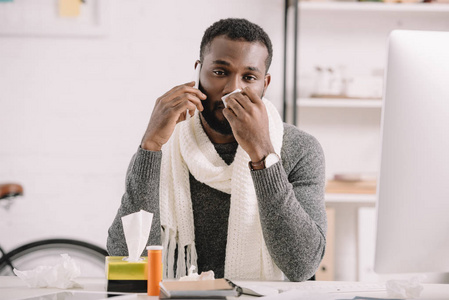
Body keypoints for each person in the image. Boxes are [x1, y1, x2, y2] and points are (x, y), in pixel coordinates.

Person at [107, 18, 326, 282]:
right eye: (220, 72)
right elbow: (126, 259)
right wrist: (150, 147)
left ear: (265, 84)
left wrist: (263, 155)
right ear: (198, 71)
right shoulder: (163, 143)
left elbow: (302, 266)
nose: (232, 89)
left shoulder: (299, 149)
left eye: (249, 77)